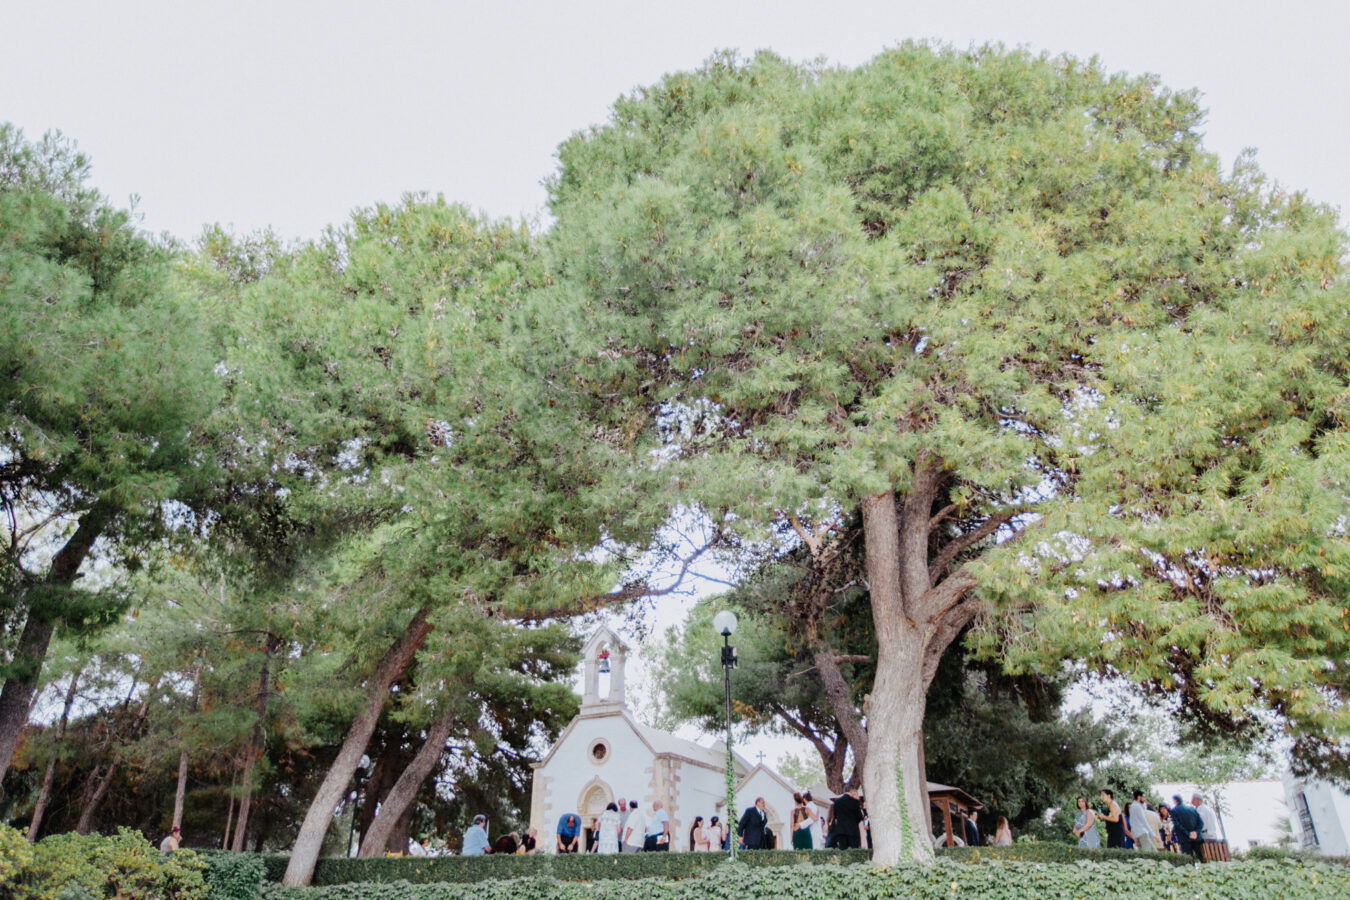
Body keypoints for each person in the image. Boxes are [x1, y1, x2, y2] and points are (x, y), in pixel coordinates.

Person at [1169, 795, 1205, 861]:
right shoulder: (1193, 809)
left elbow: (1177, 825)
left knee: (1189, 860)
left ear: (1175, 801)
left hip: (1184, 839)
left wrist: (1188, 834)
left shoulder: (1173, 811)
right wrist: (1195, 832)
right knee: (1202, 858)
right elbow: (1201, 823)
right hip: (1197, 838)